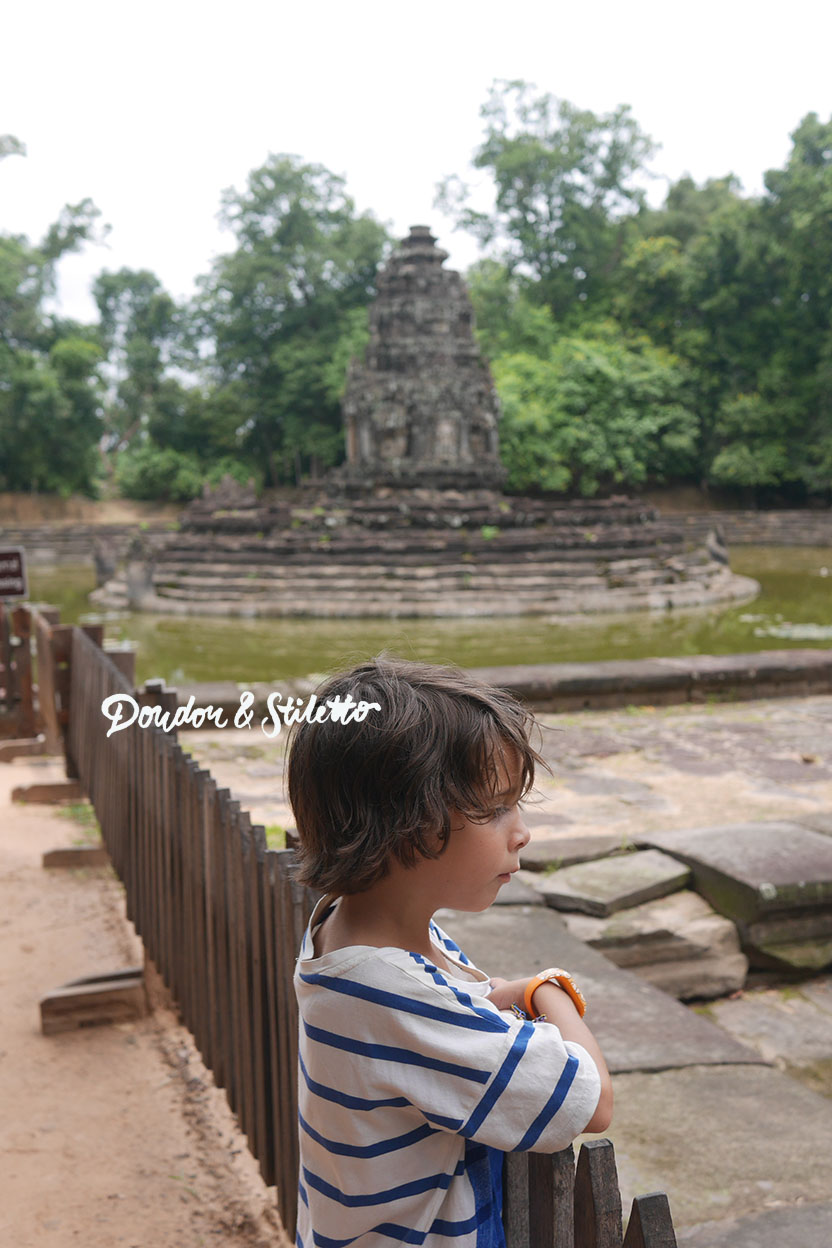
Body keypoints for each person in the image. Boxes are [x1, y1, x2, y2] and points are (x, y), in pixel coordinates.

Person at [287, 657, 613, 1248]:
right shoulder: (390, 994)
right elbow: (590, 1102)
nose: (522, 832)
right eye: (495, 808)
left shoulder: (345, 931)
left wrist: (498, 995)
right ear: (405, 822)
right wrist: (550, 991)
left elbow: (444, 1009)